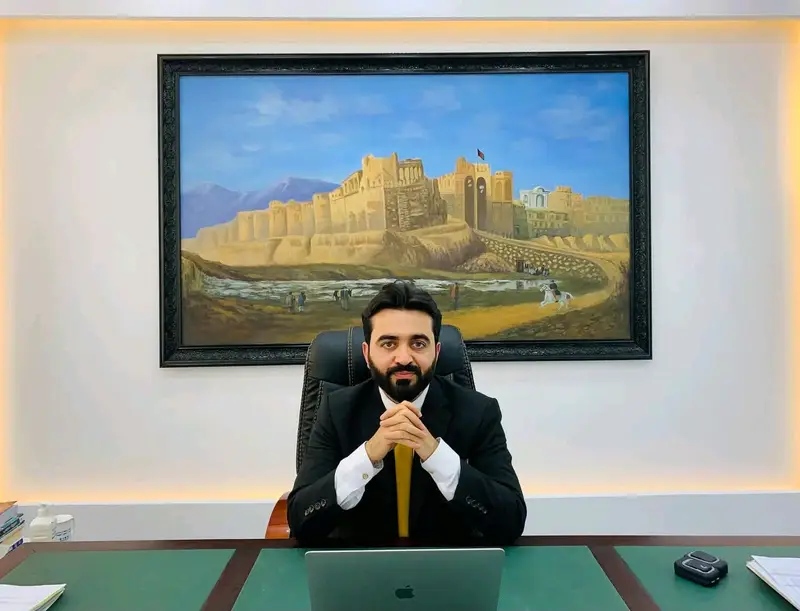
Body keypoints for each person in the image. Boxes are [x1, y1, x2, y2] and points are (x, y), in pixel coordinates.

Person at [286, 280, 526, 545]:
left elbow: (511, 521)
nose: (403, 358)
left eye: (418, 344)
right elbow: (300, 521)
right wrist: (367, 456)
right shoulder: (337, 410)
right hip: (360, 562)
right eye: (389, 344)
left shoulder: (479, 411)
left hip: (447, 562)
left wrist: (436, 456)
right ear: (367, 353)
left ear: (436, 352)